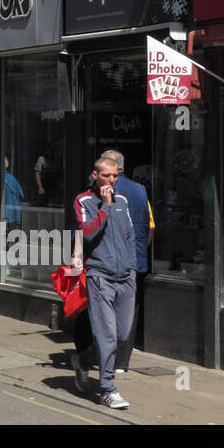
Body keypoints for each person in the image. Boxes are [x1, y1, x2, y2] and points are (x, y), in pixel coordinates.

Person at [71, 156, 136, 410]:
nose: (112, 180)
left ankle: (83, 362)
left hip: (125, 276)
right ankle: (107, 388)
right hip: (100, 275)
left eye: (115, 175)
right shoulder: (83, 200)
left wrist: (131, 268)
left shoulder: (124, 200)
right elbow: (87, 233)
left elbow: (129, 234)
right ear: (95, 175)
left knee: (121, 335)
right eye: (107, 175)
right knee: (107, 336)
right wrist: (105, 206)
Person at [100, 149, 153, 373]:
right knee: (129, 309)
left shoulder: (100, 189)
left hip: (107, 260)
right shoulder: (140, 190)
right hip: (135, 260)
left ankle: (105, 358)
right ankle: (122, 362)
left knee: (105, 309)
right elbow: (150, 227)